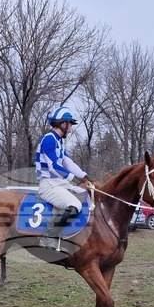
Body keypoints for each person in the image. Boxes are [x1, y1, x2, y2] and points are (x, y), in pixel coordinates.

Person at [36, 106, 96, 249]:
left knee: (86, 196)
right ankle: (48, 237)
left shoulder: (58, 141)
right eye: (70, 125)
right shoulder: (49, 140)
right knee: (75, 205)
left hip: (58, 183)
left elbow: (69, 163)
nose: (70, 129)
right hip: (48, 185)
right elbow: (53, 167)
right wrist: (75, 179)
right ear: (63, 124)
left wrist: (86, 176)